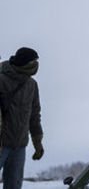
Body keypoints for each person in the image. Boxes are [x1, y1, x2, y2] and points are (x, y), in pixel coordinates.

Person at [0, 48, 44, 189]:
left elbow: (34, 115)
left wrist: (37, 143)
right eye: (33, 61)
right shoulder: (1, 79)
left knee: (14, 186)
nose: (36, 65)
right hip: (2, 143)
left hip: (19, 145)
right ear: (24, 62)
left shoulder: (32, 85)